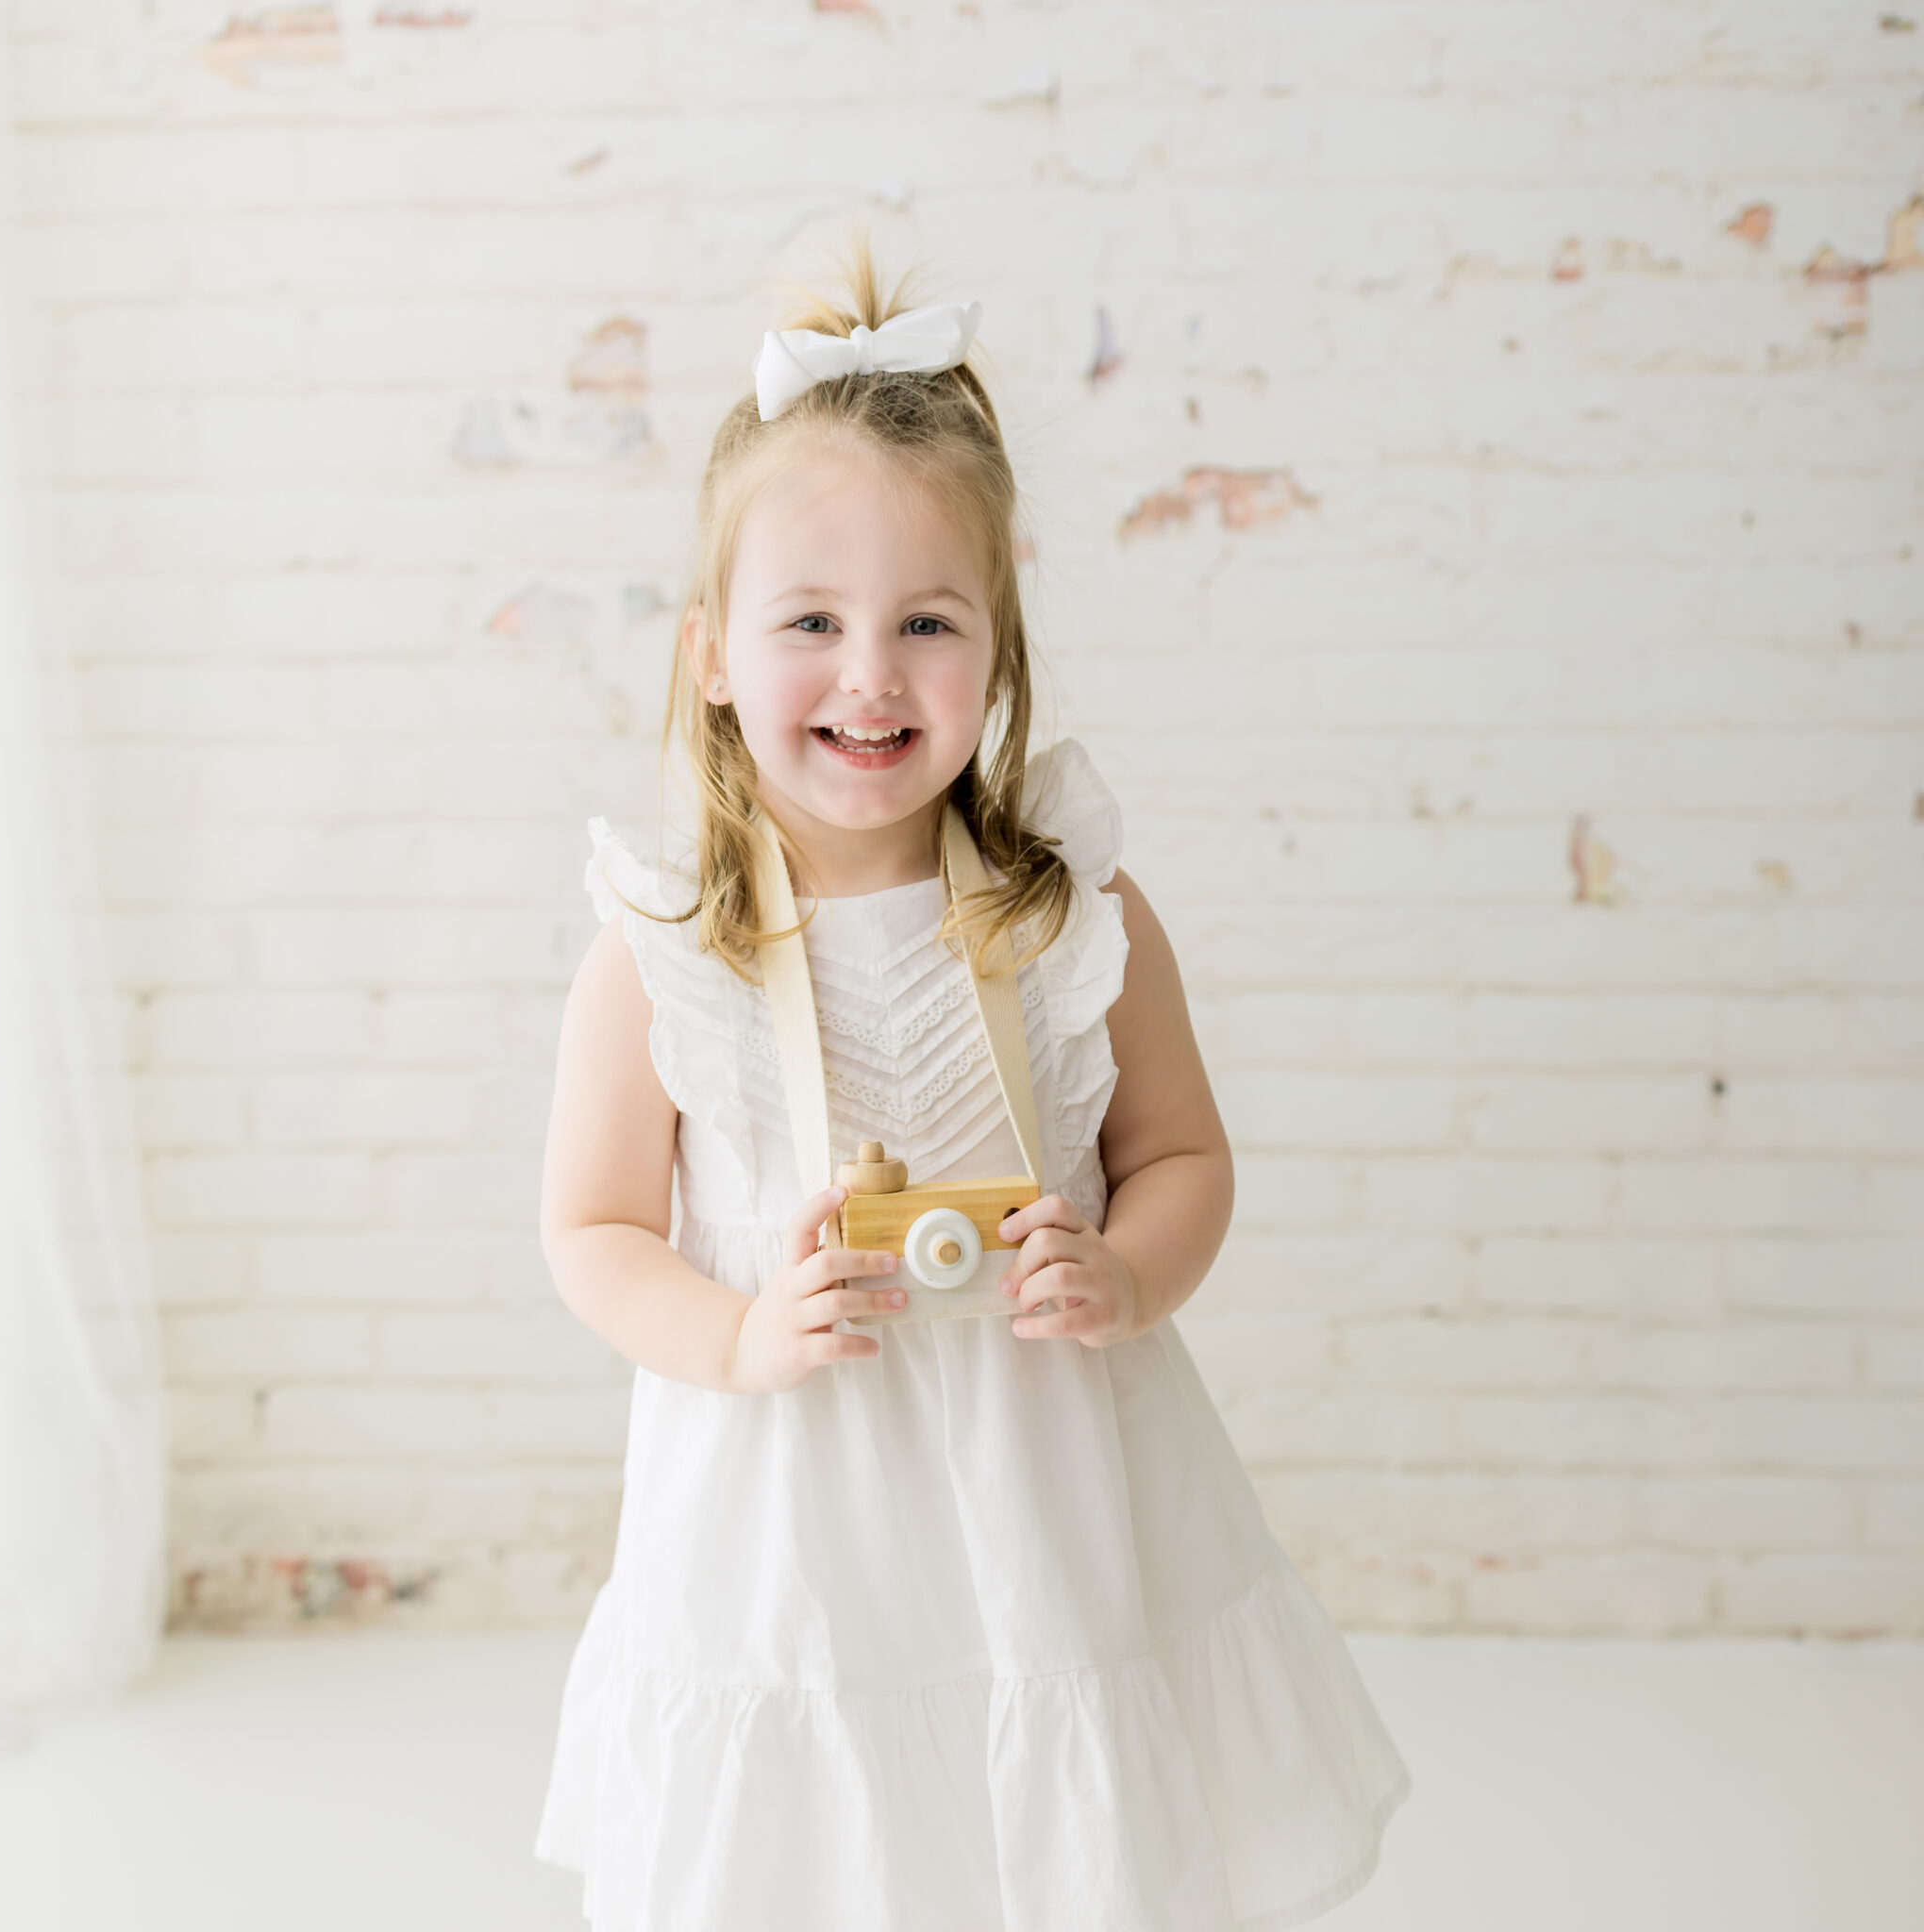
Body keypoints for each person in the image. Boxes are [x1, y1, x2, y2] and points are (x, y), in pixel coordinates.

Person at [532, 252, 1408, 1932]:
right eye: (810, 624)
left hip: (1048, 1486)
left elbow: (1185, 1154)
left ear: (997, 651)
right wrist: (731, 1335)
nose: (870, 675)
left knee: (1056, 1834)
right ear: (712, 655)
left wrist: (1135, 1265)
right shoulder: (662, 955)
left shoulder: (1075, 917)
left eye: (927, 624)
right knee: (822, 1842)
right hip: (791, 1514)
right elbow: (590, 1228)